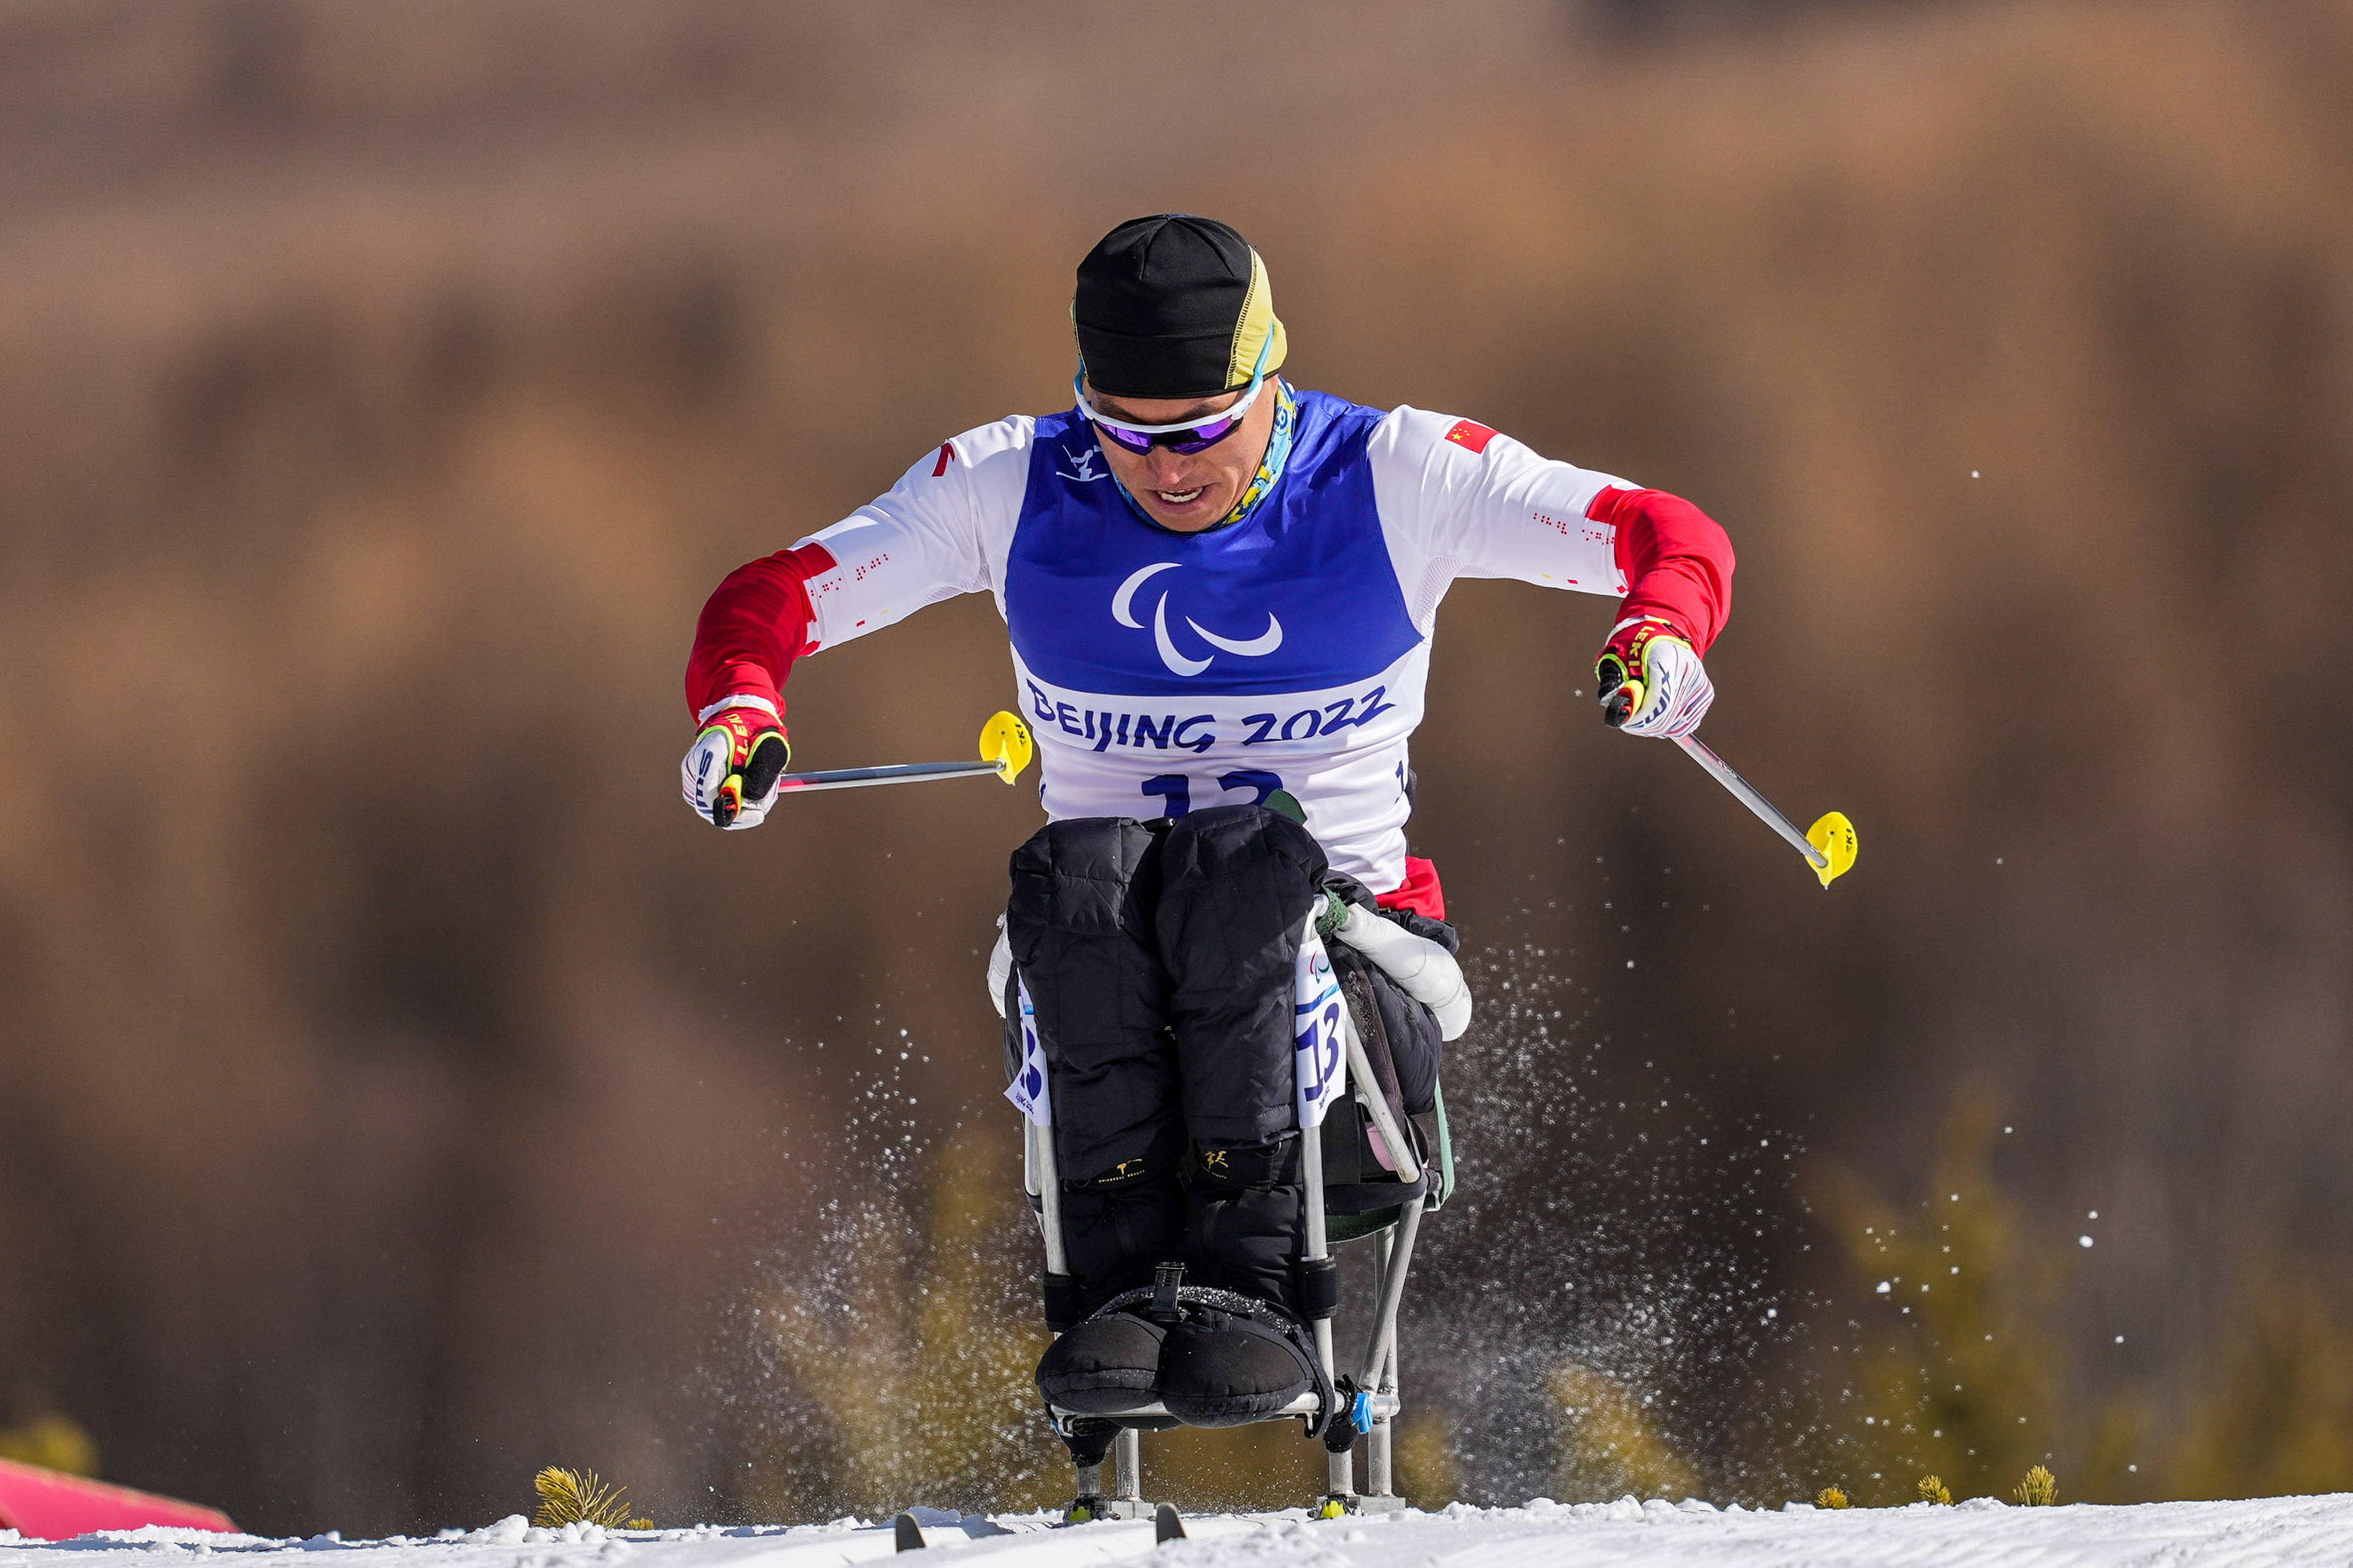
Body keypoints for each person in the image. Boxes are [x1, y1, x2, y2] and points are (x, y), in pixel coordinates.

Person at [680, 215, 1732, 1432]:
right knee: (1083, 879)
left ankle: (1253, 1284)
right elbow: (774, 594)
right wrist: (742, 705)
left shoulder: (1394, 476)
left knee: (1240, 866)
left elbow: (1666, 533)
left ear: (1269, 379)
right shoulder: (1017, 483)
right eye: (1126, 437)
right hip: (1104, 965)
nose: (1166, 472)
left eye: (1198, 435)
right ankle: (1120, 1293)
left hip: (1353, 974)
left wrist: (1661, 631)